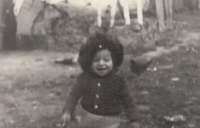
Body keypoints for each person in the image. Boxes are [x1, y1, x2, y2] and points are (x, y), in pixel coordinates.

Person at [60, 32, 139, 128]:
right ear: (89, 61)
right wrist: (67, 110)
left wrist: (134, 119)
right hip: (86, 120)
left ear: (114, 61)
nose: (101, 63)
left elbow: (128, 101)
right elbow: (73, 95)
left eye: (106, 60)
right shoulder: (84, 78)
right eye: (96, 60)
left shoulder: (119, 81)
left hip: (110, 122)